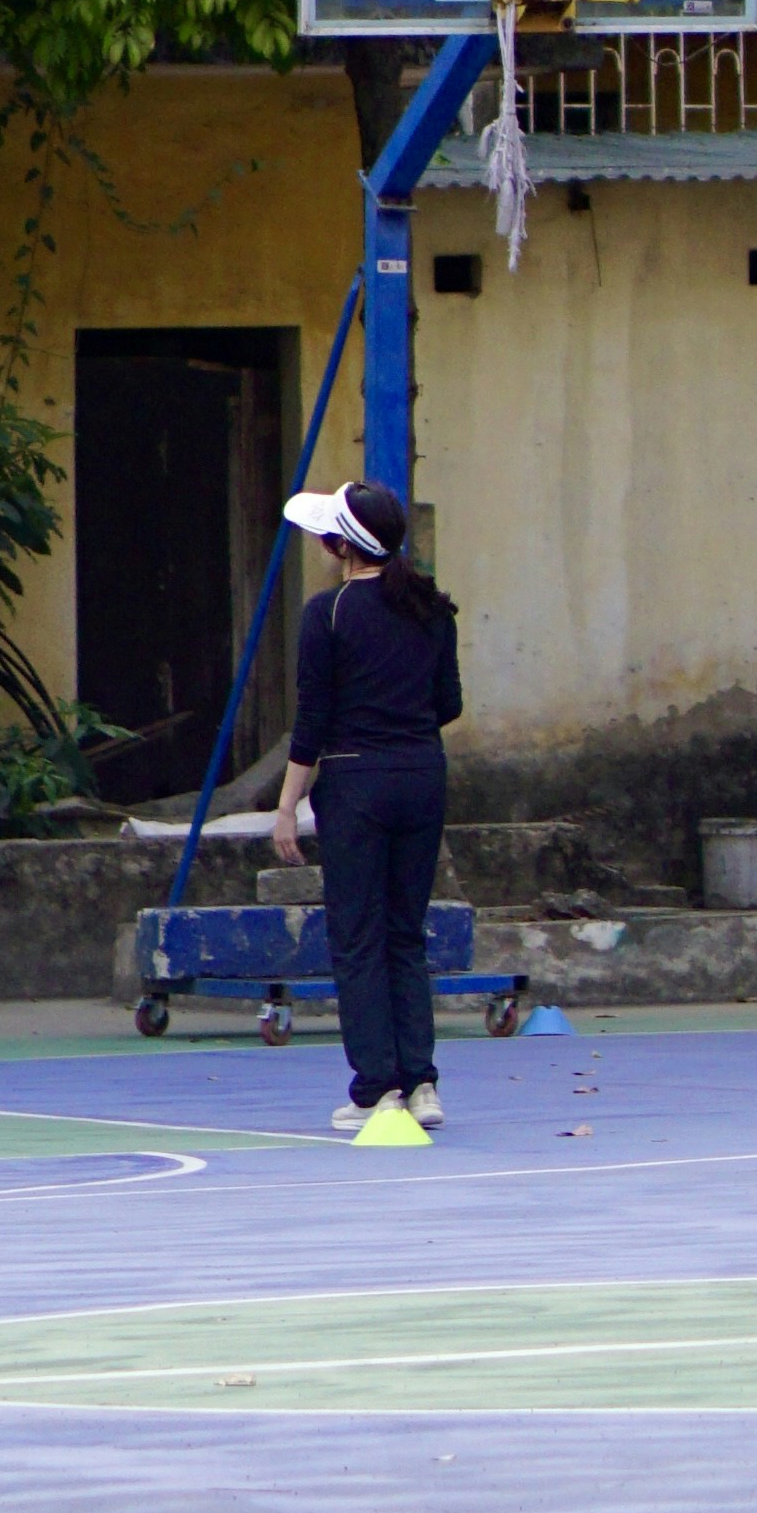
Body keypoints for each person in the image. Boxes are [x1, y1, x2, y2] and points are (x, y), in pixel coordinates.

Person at [273, 474, 461, 1140]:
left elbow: (313, 721)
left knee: (357, 938)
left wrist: (288, 804)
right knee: (405, 934)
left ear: (340, 547)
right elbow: (450, 706)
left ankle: (376, 1087)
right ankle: (422, 1081)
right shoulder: (432, 609)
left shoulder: (326, 614)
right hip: (422, 775)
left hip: (355, 783)